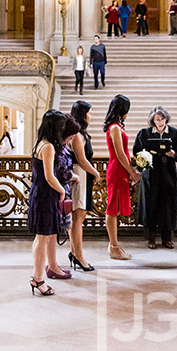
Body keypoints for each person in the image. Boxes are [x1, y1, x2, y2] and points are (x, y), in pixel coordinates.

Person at [27, 109, 79, 297]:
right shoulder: (48, 147)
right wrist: (61, 192)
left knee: (42, 238)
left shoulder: (40, 143)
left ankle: (37, 276)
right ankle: (38, 279)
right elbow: (50, 177)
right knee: (44, 238)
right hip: (46, 195)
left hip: (39, 194)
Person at [133, 106, 177, 249]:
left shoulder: (176, 133)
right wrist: (145, 157)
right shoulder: (144, 133)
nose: (160, 122)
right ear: (153, 120)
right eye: (157, 119)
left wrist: (174, 154)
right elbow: (136, 152)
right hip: (151, 174)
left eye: (162, 119)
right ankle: (150, 238)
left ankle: (167, 238)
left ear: (166, 119)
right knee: (151, 204)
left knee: (168, 205)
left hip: (168, 173)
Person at [104, 94, 141, 259]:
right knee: (112, 208)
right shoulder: (114, 128)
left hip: (120, 169)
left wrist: (130, 168)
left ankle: (115, 245)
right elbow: (119, 153)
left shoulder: (117, 126)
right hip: (116, 170)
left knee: (115, 207)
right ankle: (113, 246)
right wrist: (132, 172)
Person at [68, 99, 101, 272]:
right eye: (88, 113)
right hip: (79, 175)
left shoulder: (81, 134)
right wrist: (95, 173)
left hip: (82, 174)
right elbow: (81, 160)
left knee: (79, 217)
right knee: (77, 218)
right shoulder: (77, 136)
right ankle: (79, 256)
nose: (91, 116)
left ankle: (75, 252)